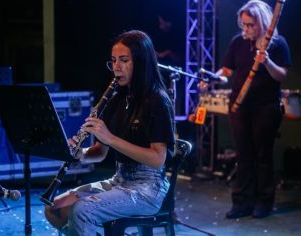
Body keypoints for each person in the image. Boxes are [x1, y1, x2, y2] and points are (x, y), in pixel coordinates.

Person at [44, 30, 175, 235]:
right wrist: (80, 154)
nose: (116, 67)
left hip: (148, 188)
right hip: (119, 180)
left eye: (124, 60)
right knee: (55, 208)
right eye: (113, 61)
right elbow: (100, 151)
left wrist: (111, 138)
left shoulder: (157, 101)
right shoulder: (116, 98)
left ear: (141, 63)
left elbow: (158, 159)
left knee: (82, 210)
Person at [200, 0, 292, 219]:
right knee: (244, 156)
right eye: (244, 24)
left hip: (266, 107)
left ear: (262, 23)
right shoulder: (237, 42)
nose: (246, 29)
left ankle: (264, 202)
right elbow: (227, 70)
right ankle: (242, 202)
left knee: (262, 155)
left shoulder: (277, 43)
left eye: (251, 24)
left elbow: (281, 75)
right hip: (239, 106)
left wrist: (267, 62)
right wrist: (213, 79)